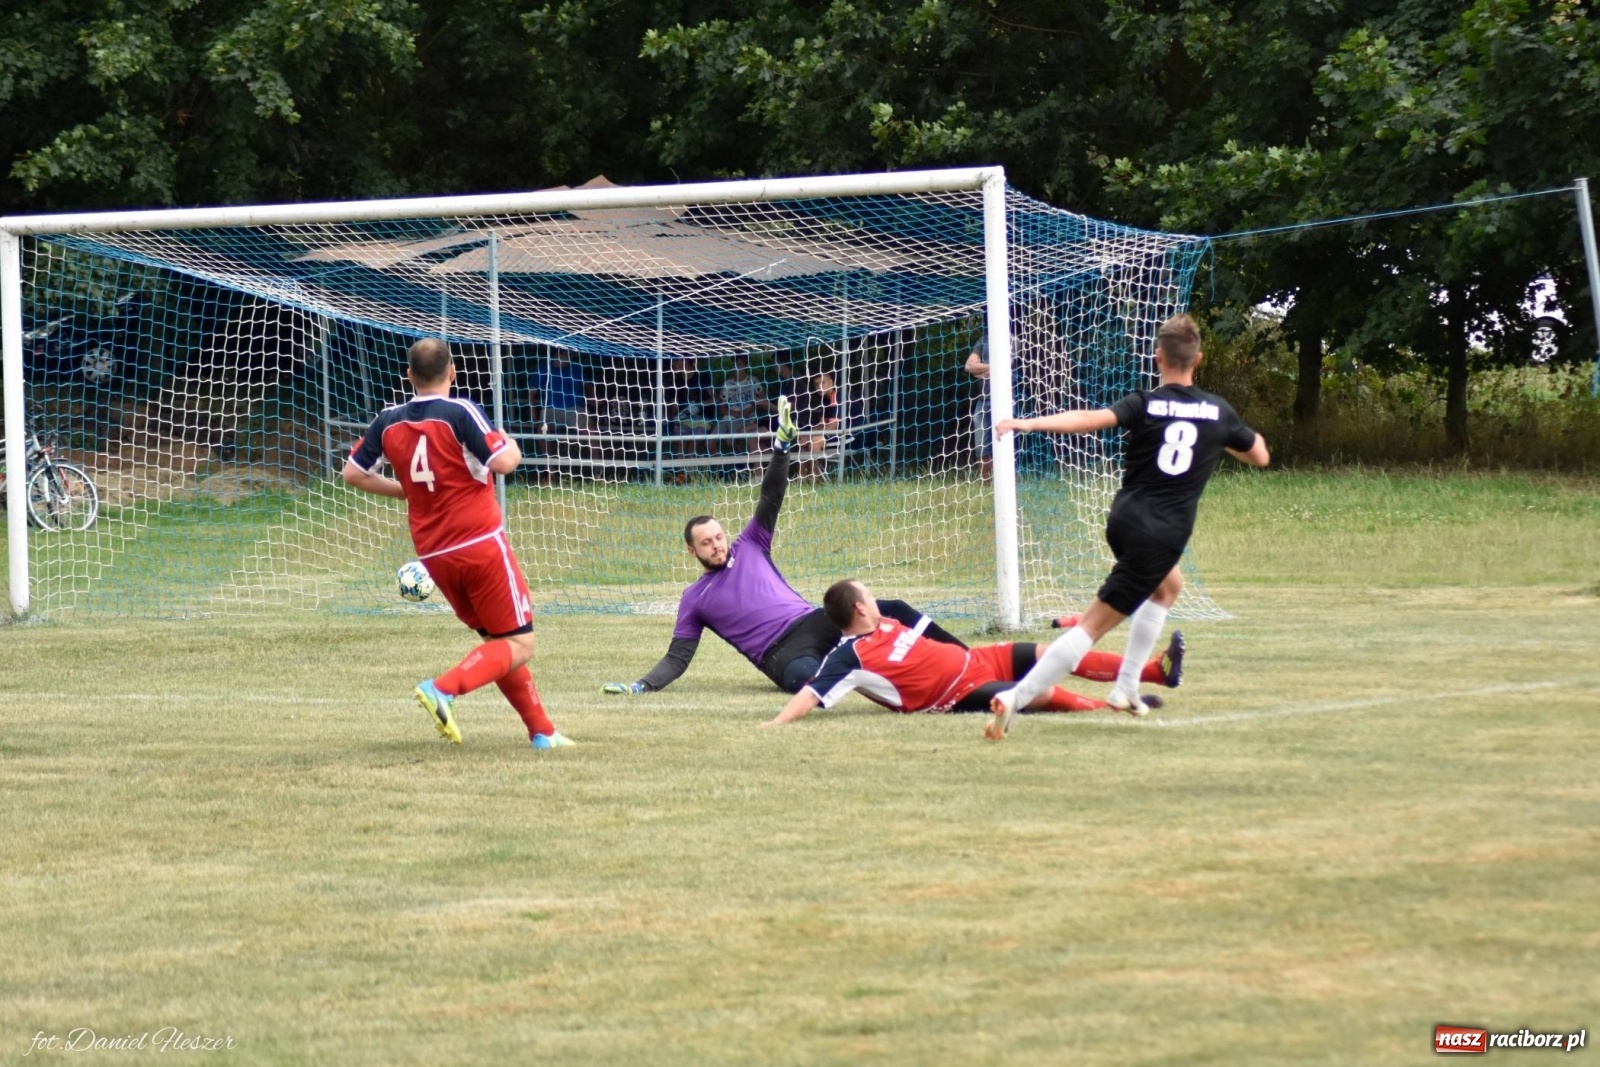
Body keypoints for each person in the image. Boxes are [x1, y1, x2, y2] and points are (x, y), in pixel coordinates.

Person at [986, 313, 1269, 740]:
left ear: (1158, 357)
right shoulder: (1218, 412)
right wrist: (1226, 438)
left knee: (1168, 587)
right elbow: (1260, 456)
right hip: (1161, 533)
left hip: (1123, 521)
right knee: (1092, 628)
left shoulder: (1146, 402)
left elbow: (1087, 419)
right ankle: (1016, 698)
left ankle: (1126, 688)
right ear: (1200, 359)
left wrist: (1027, 422)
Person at [601, 398, 969, 695]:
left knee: (895, 609)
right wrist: (642, 685)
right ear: (692, 552)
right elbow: (678, 657)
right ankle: (880, 675)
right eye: (706, 543)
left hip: (813, 622)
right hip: (781, 655)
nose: (716, 545)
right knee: (811, 685)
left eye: (717, 537)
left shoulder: (750, 544)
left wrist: (781, 449)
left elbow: (771, 494)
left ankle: (965, 659)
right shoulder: (694, 598)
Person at [342, 337, 573, 750]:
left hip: (434, 555)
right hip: (479, 543)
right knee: (520, 643)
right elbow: (503, 464)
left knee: (498, 643)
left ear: (409, 376)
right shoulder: (460, 409)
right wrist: (513, 447)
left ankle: (542, 732)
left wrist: (409, 492)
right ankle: (441, 689)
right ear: (452, 371)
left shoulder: (388, 419)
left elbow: (353, 474)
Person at [764, 579, 1183, 725]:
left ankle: (1153, 671)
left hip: (979, 659)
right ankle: (1108, 709)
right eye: (868, 595)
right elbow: (812, 692)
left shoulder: (888, 621)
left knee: (1051, 653)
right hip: (957, 694)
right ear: (859, 608)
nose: (875, 600)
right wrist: (775, 724)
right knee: (1038, 695)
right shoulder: (848, 655)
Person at [715, 353, 762, 455]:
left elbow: (763, 400)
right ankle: (718, 468)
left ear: (745, 365)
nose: (736, 368)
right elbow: (721, 407)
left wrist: (749, 410)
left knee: (729, 441)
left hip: (746, 419)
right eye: (734, 365)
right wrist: (734, 413)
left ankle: (740, 464)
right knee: (709, 442)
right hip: (728, 418)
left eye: (739, 365)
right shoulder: (727, 384)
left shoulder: (753, 380)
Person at [963, 334, 993, 480]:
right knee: (981, 445)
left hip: (1007, 400)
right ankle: (986, 485)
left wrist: (979, 370)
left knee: (1006, 443)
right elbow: (969, 366)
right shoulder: (983, 340)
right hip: (983, 400)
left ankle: (1010, 484)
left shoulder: (1012, 340)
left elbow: (1008, 365)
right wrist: (992, 367)